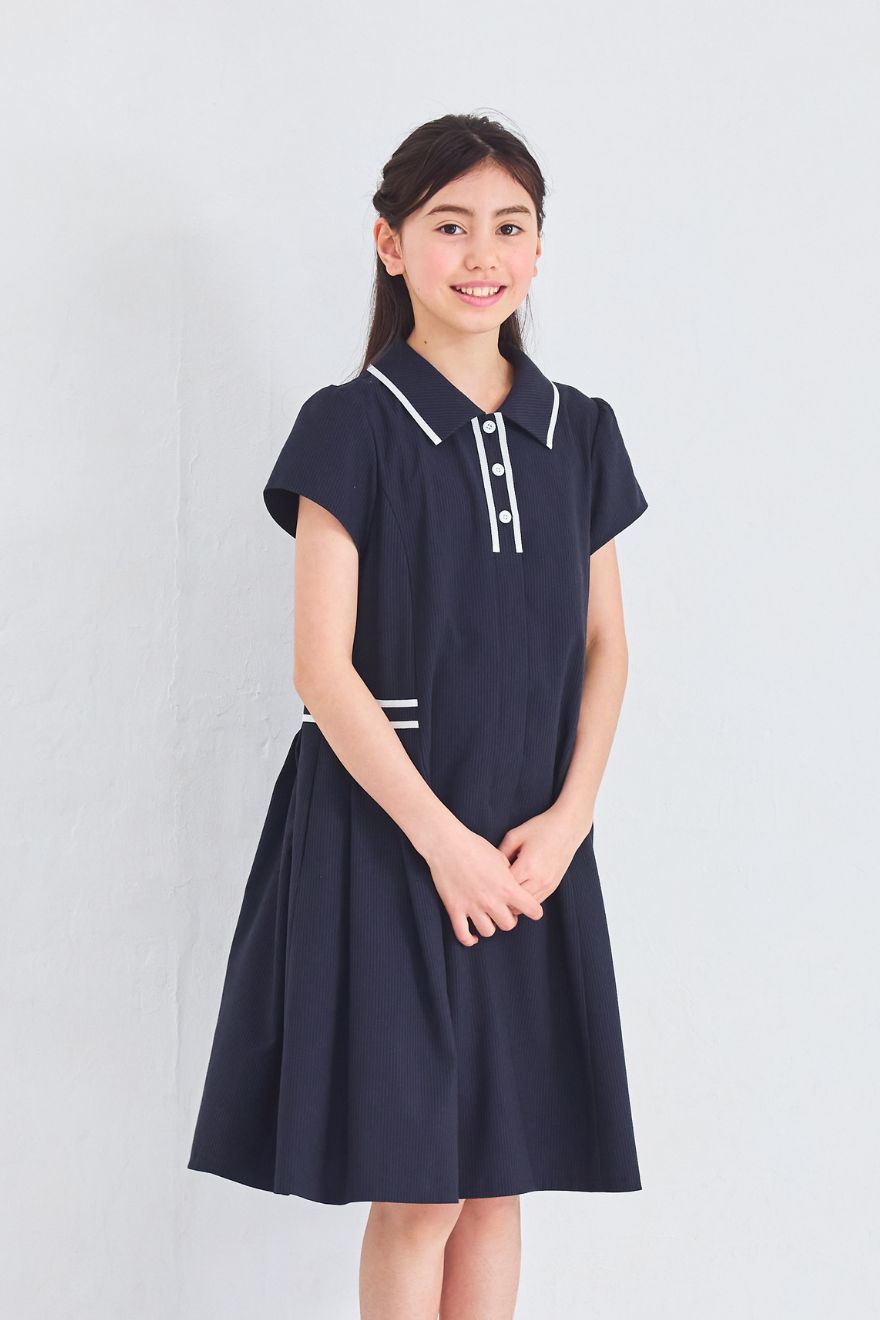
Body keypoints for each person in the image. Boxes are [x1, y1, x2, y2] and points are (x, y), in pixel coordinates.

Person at [188, 111, 649, 1320]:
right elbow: (322, 671)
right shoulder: (350, 426)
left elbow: (606, 647)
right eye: (448, 226)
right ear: (391, 245)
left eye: (509, 226)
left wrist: (566, 821)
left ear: (539, 248)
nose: (480, 254)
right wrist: (443, 845)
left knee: (496, 1183)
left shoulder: (580, 433)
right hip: (387, 841)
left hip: (530, 846)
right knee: (420, 1192)